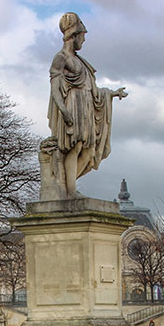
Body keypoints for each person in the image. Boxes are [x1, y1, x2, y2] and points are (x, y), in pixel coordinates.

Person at [48, 12, 127, 196]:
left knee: (89, 151)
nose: (83, 41)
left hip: (86, 107)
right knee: (74, 147)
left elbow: (92, 89)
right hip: (72, 105)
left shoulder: (80, 61)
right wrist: (63, 111)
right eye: (82, 37)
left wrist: (111, 93)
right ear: (73, 36)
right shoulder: (61, 58)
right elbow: (55, 88)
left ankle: (66, 187)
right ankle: (70, 190)